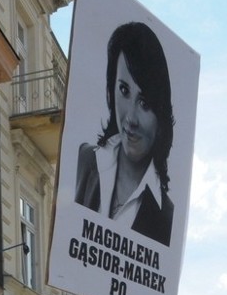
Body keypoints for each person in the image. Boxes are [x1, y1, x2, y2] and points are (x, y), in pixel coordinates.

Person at [74, 21, 174, 247]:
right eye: (124, 90)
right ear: (111, 89)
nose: (130, 118)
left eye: (145, 102)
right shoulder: (85, 160)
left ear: (161, 114)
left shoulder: (166, 217)